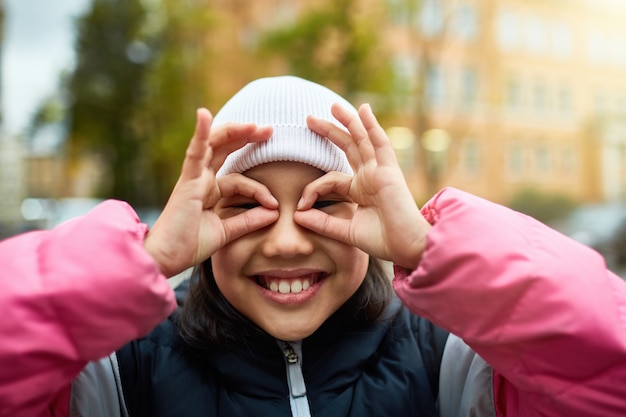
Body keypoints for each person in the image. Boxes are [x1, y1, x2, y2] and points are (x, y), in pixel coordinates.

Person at [1, 76, 625, 417]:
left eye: (325, 203)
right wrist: (139, 265)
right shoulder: (117, 374)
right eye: (248, 205)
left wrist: (435, 249)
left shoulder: (460, 368)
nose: (286, 239)